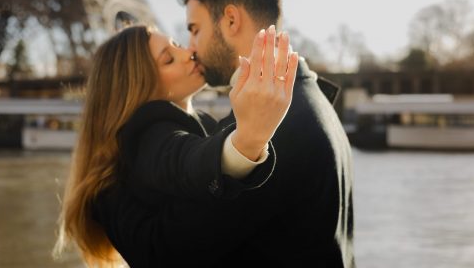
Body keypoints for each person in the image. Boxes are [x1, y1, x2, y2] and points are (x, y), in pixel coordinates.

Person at [54, 24, 299, 267]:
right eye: (168, 59)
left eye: (178, 45)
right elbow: (181, 157)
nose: (188, 53)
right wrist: (247, 141)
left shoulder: (200, 121)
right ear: (140, 87)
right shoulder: (147, 131)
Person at [178, 0, 355, 267]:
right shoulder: (311, 98)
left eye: (195, 29)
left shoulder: (270, 125)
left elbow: (180, 251)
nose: (190, 46)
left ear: (230, 20)